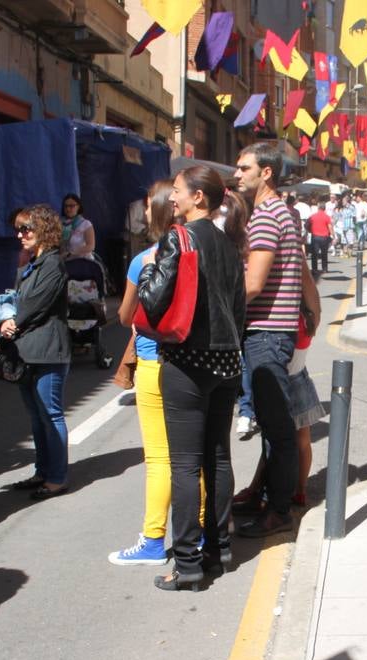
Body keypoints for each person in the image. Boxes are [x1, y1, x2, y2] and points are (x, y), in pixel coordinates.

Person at [134, 165, 246, 590]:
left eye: (178, 191)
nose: (173, 198)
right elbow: (239, 311)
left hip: (186, 361)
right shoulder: (229, 243)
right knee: (217, 457)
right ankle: (217, 552)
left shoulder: (177, 239)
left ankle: (187, 562)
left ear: (199, 198)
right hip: (226, 361)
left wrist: (148, 268)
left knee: (184, 464)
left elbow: (152, 299)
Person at [233, 142, 321, 538]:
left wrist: (215, 307)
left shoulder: (267, 217)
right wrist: (311, 308)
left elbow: (253, 284)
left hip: (267, 332)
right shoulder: (279, 213)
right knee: (274, 425)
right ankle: (264, 495)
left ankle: (279, 510)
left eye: (244, 168)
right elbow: (298, 270)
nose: (237, 175)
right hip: (275, 331)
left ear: (265, 173)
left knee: (278, 427)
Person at [111, 181, 176, 565]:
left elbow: (124, 315)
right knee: (193, 454)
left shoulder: (145, 259)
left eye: (149, 206)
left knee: (159, 458)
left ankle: (153, 540)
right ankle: (200, 532)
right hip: (192, 363)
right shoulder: (197, 251)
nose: (145, 213)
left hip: (153, 362)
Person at [0, 204, 71, 500]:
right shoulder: (34, 263)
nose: (20, 234)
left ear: (43, 230)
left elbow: (34, 304)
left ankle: (56, 478)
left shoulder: (52, 264)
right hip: (29, 351)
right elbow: (20, 299)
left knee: (51, 414)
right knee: (36, 416)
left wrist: (13, 321)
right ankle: (43, 470)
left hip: (48, 351)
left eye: (26, 228)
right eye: (18, 228)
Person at [60, 194, 95, 261]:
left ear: (78, 206)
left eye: (71, 206)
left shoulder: (85, 224)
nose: (68, 209)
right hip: (66, 263)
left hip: (83, 263)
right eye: (66, 206)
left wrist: (71, 253)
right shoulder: (60, 224)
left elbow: (90, 246)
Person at [306, 202, 332, 275]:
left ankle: (314, 269)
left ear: (318, 208)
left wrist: (310, 230)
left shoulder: (313, 216)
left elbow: (306, 225)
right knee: (324, 254)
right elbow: (330, 227)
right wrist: (333, 236)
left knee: (314, 254)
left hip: (315, 237)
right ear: (324, 208)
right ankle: (325, 268)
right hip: (324, 237)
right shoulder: (327, 216)